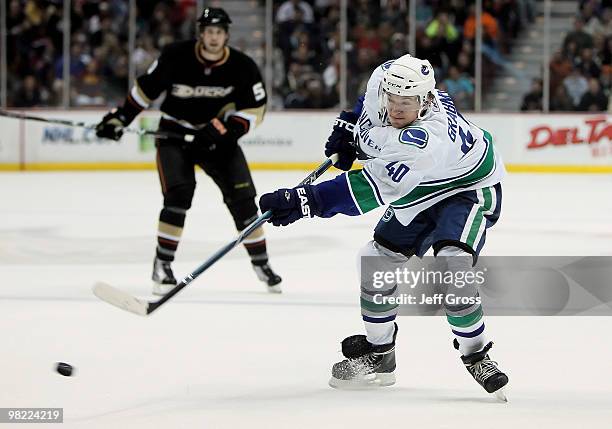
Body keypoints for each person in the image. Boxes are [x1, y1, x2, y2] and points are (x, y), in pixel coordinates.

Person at [259, 54, 509, 398]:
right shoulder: (388, 79)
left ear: (426, 100)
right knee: (375, 261)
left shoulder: (424, 143)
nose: (396, 108)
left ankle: (477, 354)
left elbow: (366, 190)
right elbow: (369, 98)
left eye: (406, 103)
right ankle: (380, 356)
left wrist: (305, 200)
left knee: (454, 264)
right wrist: (348, 123)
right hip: (421, 187)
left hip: (466, 188)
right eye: (392, 100)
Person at [95, 7, 282, 295]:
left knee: (244, 201)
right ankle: (163, 264)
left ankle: (262, 263)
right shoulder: (175, 56)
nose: (214, 37)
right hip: (175, 137)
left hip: (217, 142)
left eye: (219, 32)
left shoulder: (242, 66)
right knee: (178, 196)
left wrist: (226, 130)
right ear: (201, 33)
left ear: (226, 35)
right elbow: (145, 90)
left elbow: (256, 109)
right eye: (209, 31)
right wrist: (120, 118)